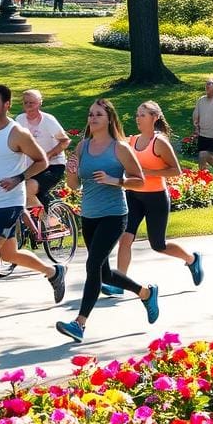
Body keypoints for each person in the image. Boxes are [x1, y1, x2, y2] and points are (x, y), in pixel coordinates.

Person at [0, 85, 66, 325]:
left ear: (6, 105)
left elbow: (42, 160)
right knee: (9, 253)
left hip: (11, 201)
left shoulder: (17, 133)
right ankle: (54, 272)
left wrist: (19, 178)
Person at [56, 99, 157, 343]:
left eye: (98, 114)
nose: (93, 118)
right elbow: (74, 185)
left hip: (114, 215)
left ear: (109, 119)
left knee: (92, 266)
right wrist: (71, 171)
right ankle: (145, 293)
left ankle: (80, 323)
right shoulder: (82, 147)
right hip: (89, 216)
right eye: (90, 114)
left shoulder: (120, 148)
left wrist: (117, 181)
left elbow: (139, 180)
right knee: (104, 273)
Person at [103, 101, 202, 296]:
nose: (137, 118)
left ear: (154, 118)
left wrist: (146, 172)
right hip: (133, 196)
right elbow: (115, 143)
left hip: (156, 198)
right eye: (137, 114)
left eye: (142, 115)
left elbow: (176, 171)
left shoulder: (160, 143)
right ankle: (121, 283)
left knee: (158, 245)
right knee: (125, 239)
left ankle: (191, 259)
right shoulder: (132, 141)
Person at [14, 89, 70, 213]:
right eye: (26, 103)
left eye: (32, 103)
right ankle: (48, 222)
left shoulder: (48, 120)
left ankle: (44, 219)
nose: (29, 106)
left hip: (53, 166)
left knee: (28, 188)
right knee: (22, 191)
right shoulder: (20, 120)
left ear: (40, 103)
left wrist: (48, 155)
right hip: (32, 166)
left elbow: (65, 141)